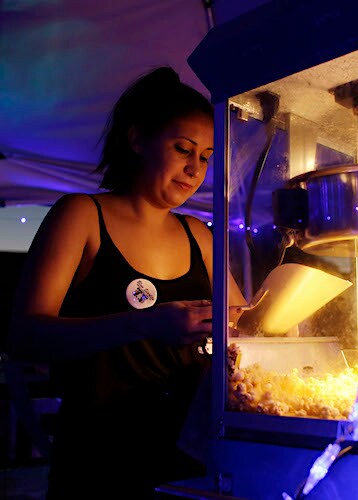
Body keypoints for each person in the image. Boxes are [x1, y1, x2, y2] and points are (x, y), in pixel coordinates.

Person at [8, 66, 245, 499]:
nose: (195, 169)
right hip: (100, 455)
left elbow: (241, 328)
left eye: (206, 157)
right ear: (137, 140)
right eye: (183, 149)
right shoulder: (81, 215)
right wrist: (145, 323)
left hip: (189, 453)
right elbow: (25, 335)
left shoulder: (198, 233)